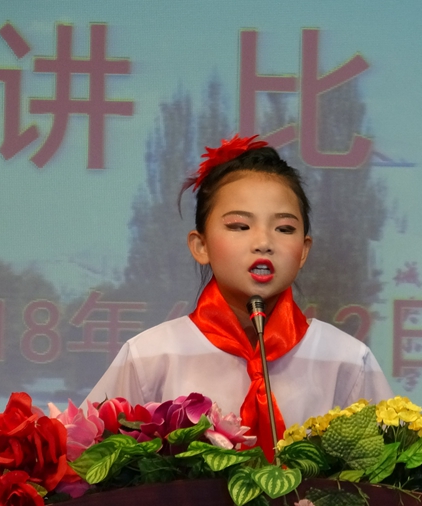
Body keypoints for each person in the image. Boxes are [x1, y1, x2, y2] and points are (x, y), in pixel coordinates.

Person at [83, 134, 394, 460]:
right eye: (239, 226)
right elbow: (86, 466)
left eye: (284, 229)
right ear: (201, 246)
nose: (263, 243)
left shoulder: (346, 360)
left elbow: (394, 475)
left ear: (303, 250)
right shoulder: (150, 356)